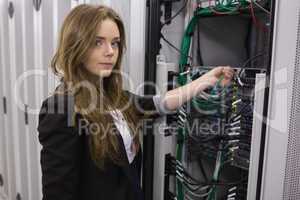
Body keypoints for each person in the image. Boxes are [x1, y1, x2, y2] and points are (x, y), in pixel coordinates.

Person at [37, 4, 234, 200]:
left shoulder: (114, 97)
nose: (110, 52)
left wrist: (205, 80)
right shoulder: (61, 109)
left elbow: (159, 103)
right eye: (98, 42)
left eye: (115, 43)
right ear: (76, 44)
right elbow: (58, 193)